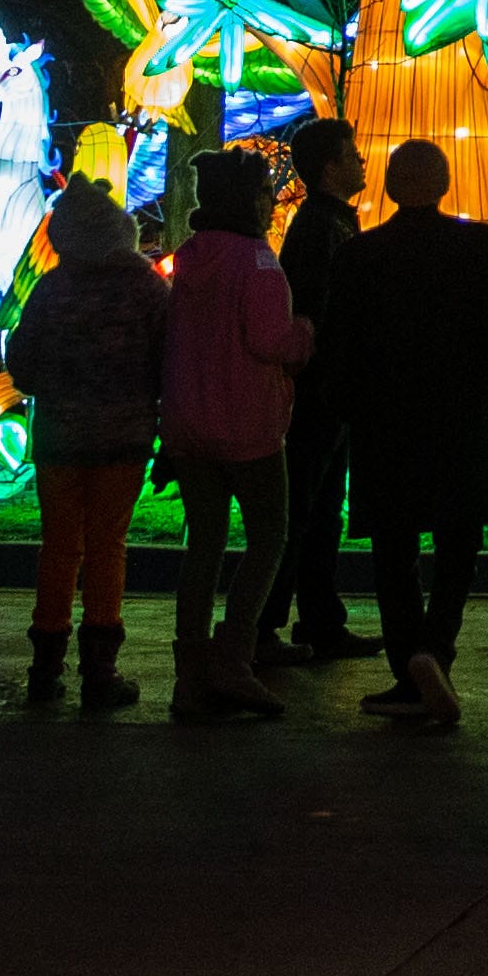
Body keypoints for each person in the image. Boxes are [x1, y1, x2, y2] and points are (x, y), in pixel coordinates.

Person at [324, 136, 488, 726]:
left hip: (386, 424)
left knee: (394, 551)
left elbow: (340, 348)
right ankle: (436, 651)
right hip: (460, 418)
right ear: (446, 183)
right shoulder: (483, 246)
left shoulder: (360, 256)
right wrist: (486, 388)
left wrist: (353, 409)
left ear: (389, 187)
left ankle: (410, 670)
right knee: (459, 545)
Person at [160, 146, 318, 721]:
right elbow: (270, 341)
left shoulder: (191, 257)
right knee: (268, 536)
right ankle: (235, 656)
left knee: (202, 545)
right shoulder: (257, 261)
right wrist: (303, 333)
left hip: (188, 423)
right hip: (247, 425)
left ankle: (189, 672)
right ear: (249, 200)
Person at [4, 179, 169, 711]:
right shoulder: (145, 289)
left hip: (59, 436)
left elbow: (22, 368)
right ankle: (101, 669)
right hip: (123, 435)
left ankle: (44, 668)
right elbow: (169, 360)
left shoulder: (51, 289)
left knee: (59, 547)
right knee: (107, 546)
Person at [260, 116, 370, 668]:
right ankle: (263, 625)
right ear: (330, 167)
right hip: (319, 393)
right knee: (300, 506)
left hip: (326, 390)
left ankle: (320, 620)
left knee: (320, 508)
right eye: (352, 154)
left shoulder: (326, 224)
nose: (362, 161)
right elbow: (319, 314)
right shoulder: (322, 230)